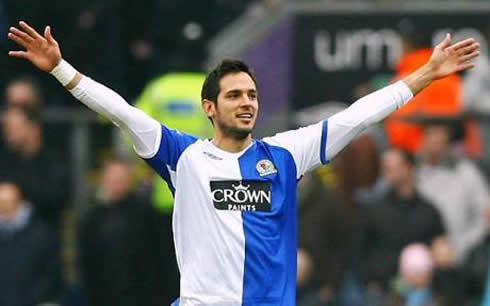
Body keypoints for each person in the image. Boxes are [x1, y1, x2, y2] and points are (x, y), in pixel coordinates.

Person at [7, 21, 480, 305]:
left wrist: (425, 74)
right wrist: (61, 70)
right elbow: (121, 112)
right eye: (234, 95)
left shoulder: (285, 155)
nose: (246, 102)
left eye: (252, 94)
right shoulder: (184, 157)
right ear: (209, 107)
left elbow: (358, 117)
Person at [78, 159, 175, 306]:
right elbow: (87, 266)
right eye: (113, 178)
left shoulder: (147, 215)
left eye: (121, 178)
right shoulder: (92, 220)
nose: (116, 183)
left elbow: (161, 261)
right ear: (104, 180)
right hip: (105, 297)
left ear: (130, 180)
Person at [0, 182, 63, 306]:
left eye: (7, 202)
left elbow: (51, 272)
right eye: (1, 203)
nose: (4, 207)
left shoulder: (41, 234)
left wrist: (33, 298)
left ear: (18, 202)